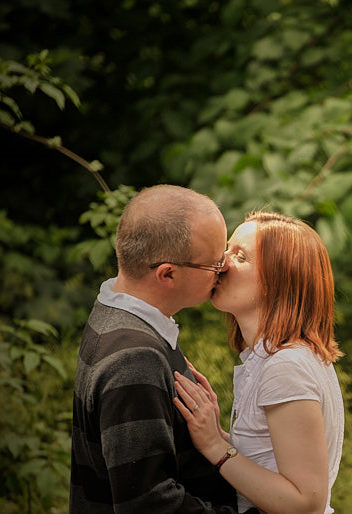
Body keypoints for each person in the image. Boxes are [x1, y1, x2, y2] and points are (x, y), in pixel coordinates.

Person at [70, 185, 237, 512]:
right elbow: (148, 503)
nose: (225, 268)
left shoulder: (115, 312)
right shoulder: (134, 358)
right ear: (168, 274)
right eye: (215, 263)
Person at [173, 211, 345, 514]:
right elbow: (268, 460)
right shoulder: (273, 358)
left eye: (239, 256)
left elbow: (306, 503)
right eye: (227, 250)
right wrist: (217, 433)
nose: (221, 262)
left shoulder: (287, 365)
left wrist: (216, 447)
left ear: (278, 279)